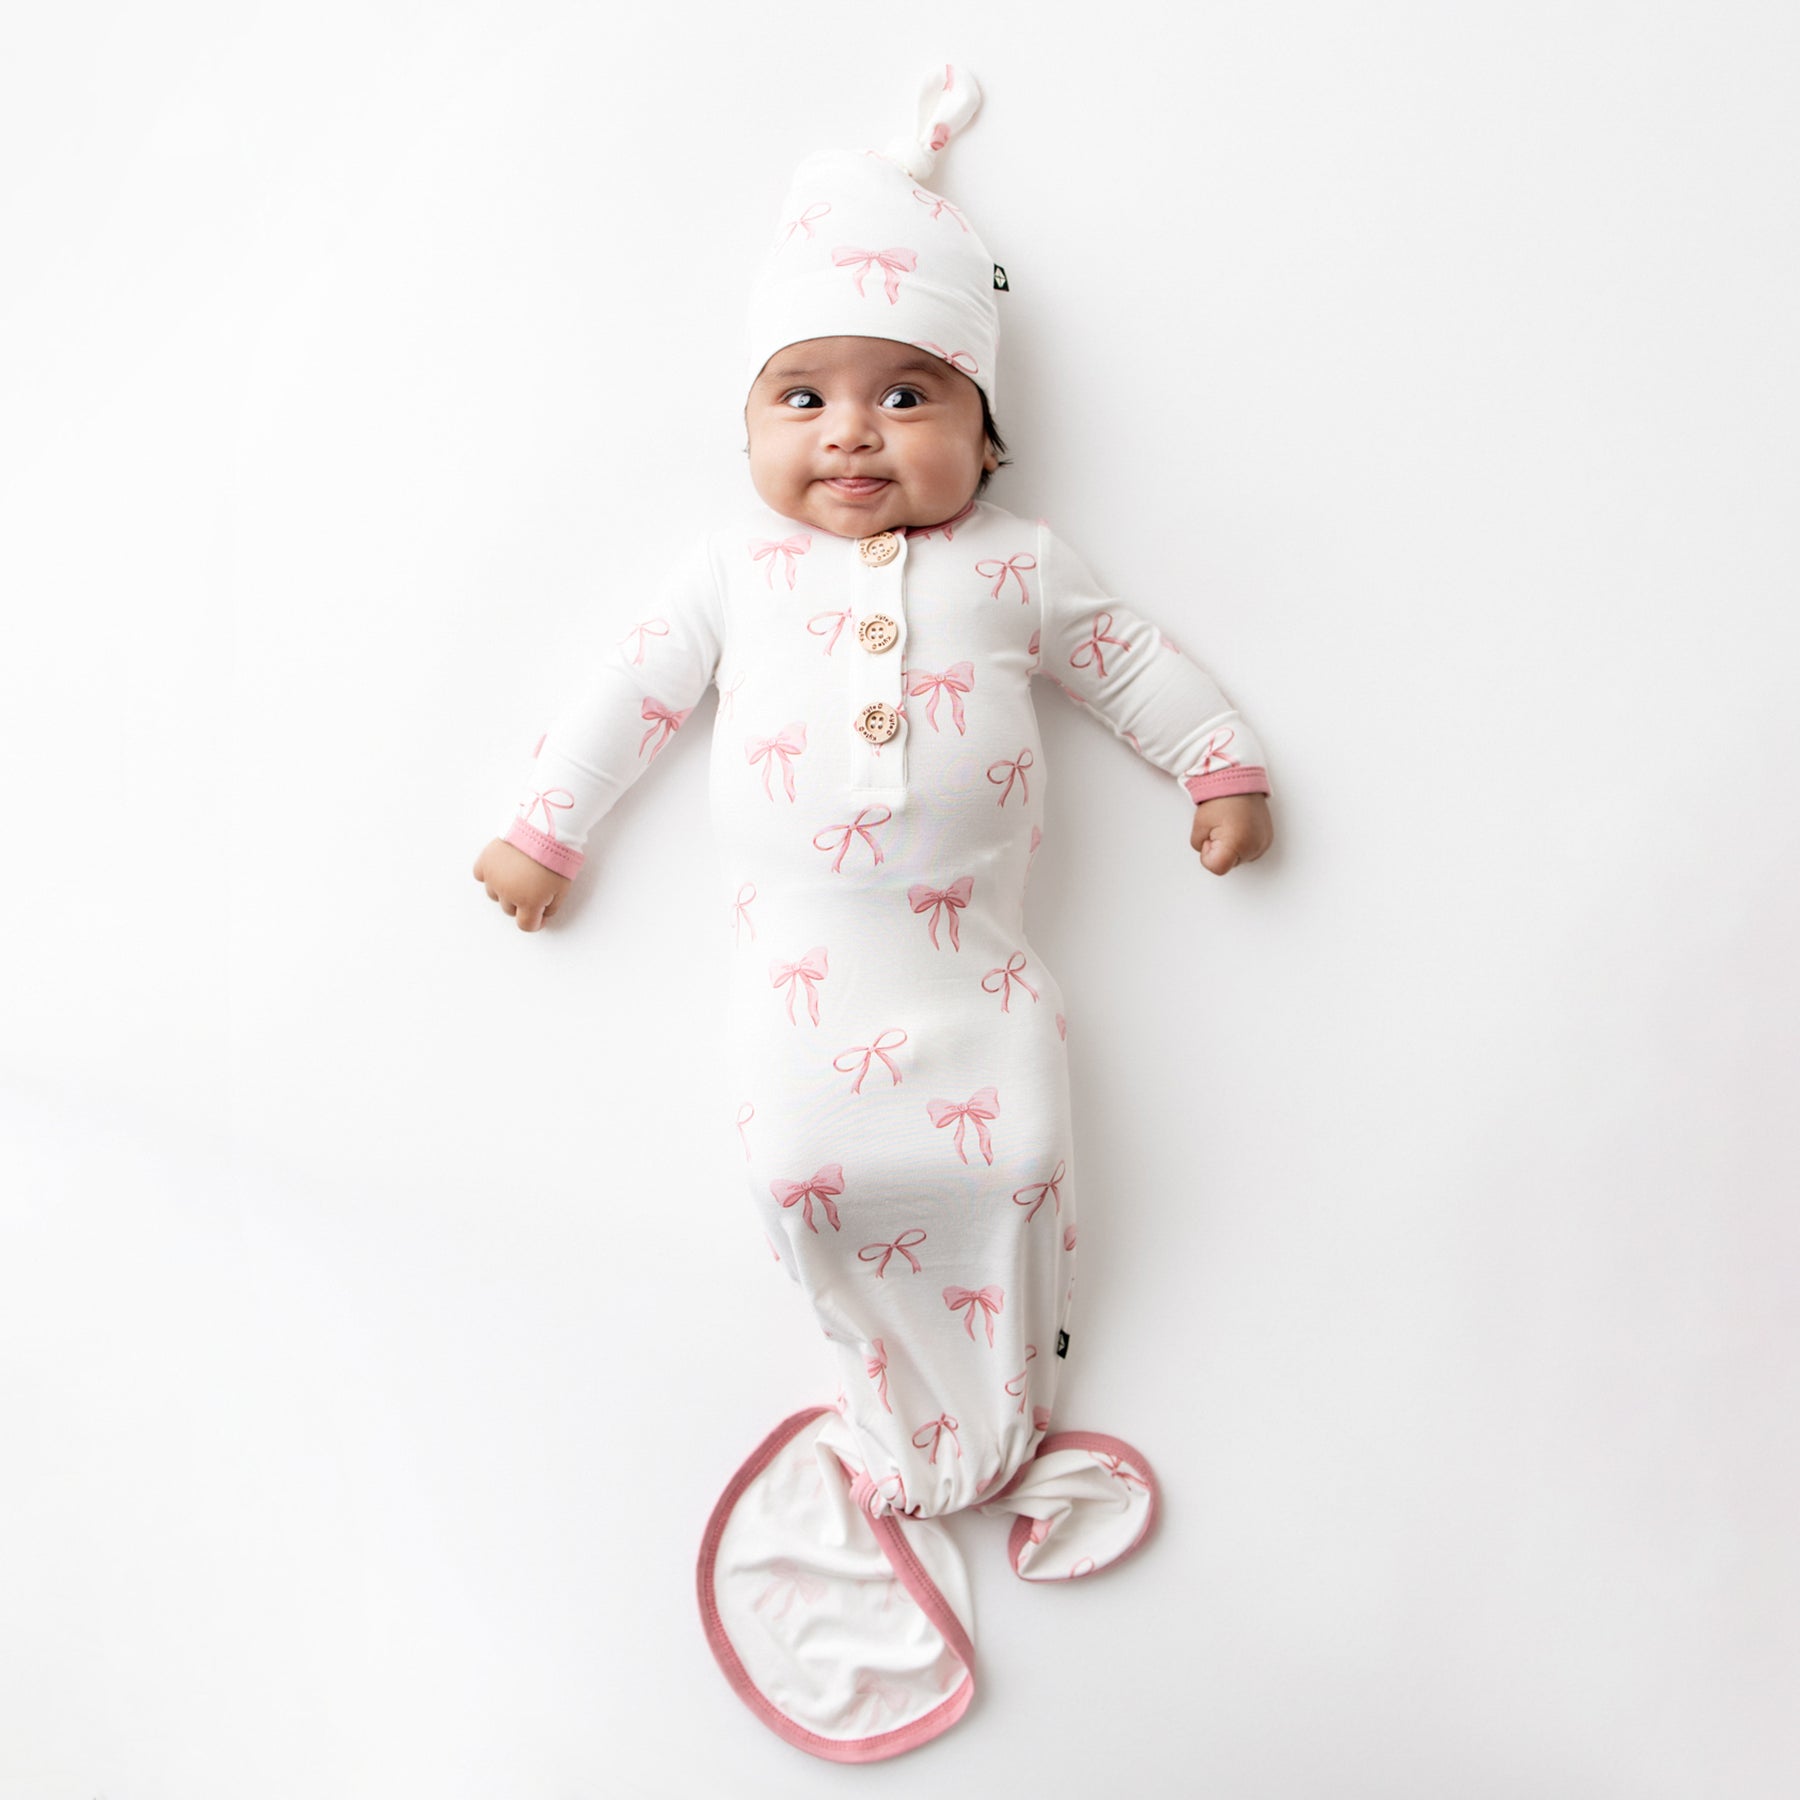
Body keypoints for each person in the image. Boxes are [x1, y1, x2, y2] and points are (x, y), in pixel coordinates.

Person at [471, 65, 1274, 1762]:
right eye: (804, 398)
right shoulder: (730, 578)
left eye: (907, 396)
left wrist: (1216, 762)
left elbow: (1132, 663)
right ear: (748, 430)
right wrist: (551, 824)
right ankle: (886, 1440)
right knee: (793, 1172)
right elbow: (628, 695)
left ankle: (994, 1433)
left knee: (1018, 1161)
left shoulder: (1019, 566)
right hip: (805, 989)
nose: (853, 434)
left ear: (985, 434)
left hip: (976, 979)